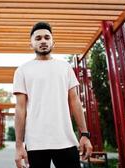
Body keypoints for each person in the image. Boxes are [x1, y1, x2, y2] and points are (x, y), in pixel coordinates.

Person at [13, 21, 93, 168]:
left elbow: (75, 102)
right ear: (31, 44)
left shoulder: (65, 67)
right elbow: (20, 109)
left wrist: (85, 134)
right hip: (35, 143)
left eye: (46, 37)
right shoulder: (22, 70)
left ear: (52, 42)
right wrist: (19, 146)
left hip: (66, 140)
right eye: (38, 38)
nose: (43, 41)